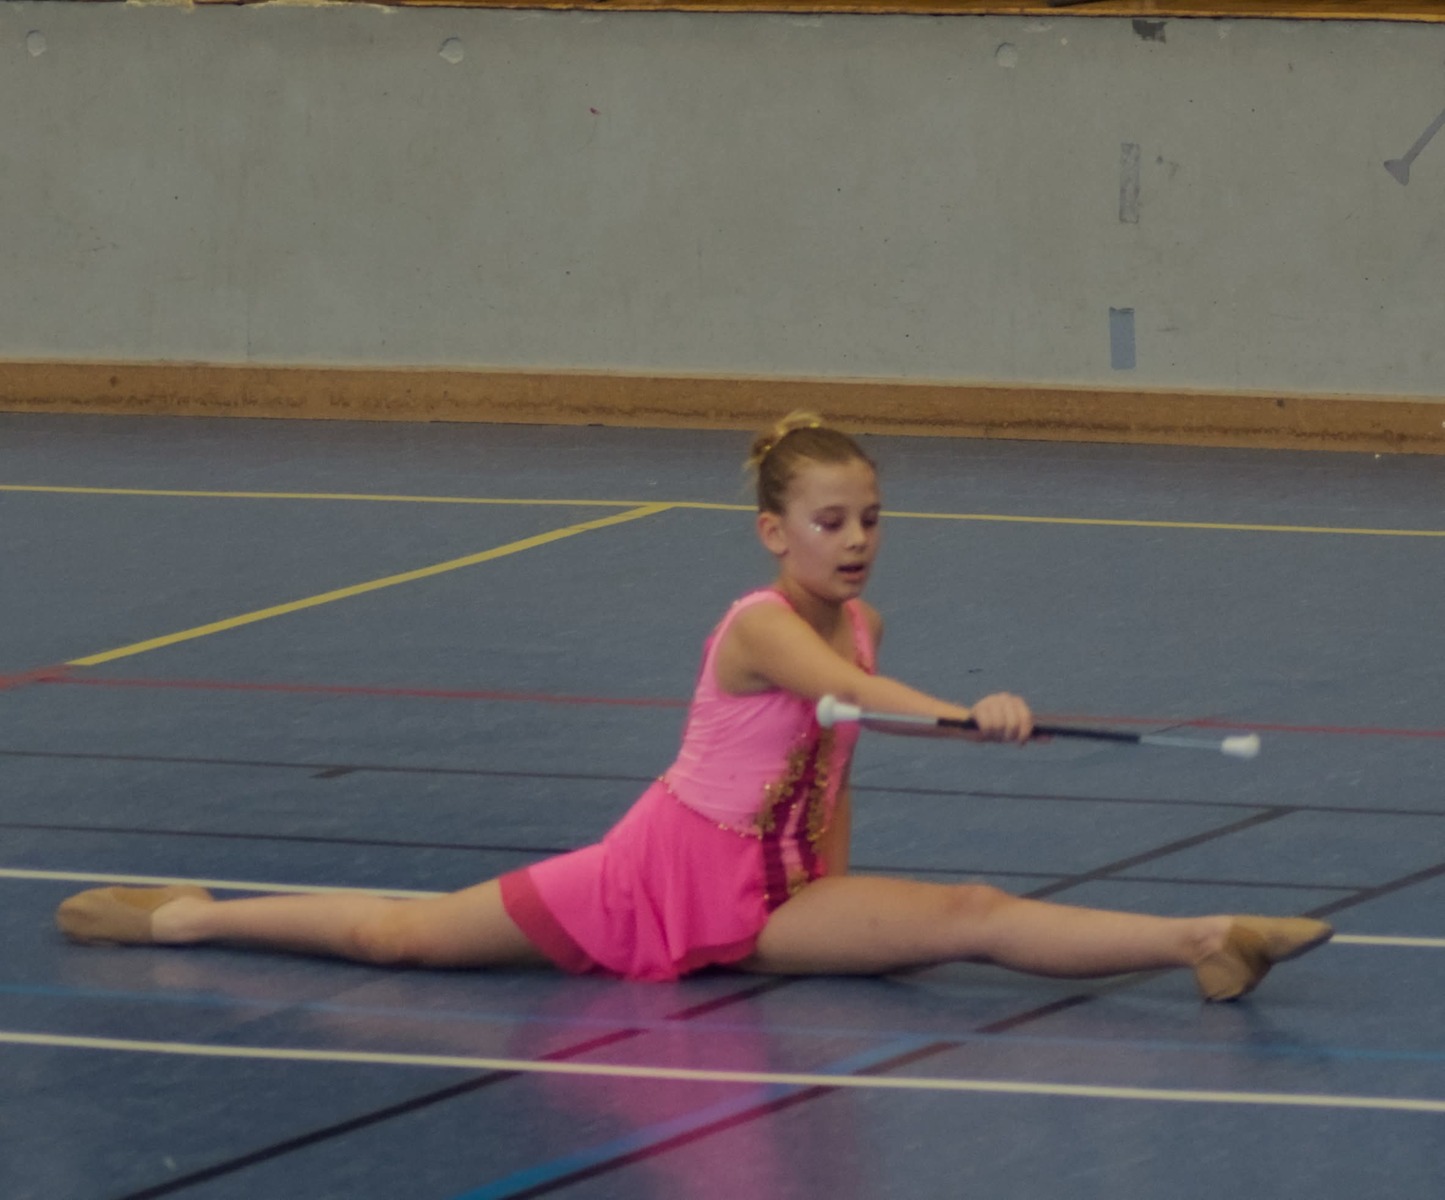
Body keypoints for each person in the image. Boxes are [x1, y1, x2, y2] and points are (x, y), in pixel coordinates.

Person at [55, 413, 1331, 1001]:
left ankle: (1205, 939)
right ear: (774, 530)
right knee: (405, 943)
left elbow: (834, 765)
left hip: (781, 892)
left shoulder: (864, 621)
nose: (855, 540)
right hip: (652, 875)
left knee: (968, 915)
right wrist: (971, 712)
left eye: (870, 519)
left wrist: (839, 890)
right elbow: (851, 702)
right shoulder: (760, 626)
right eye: (829, 522)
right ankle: (190, 916)